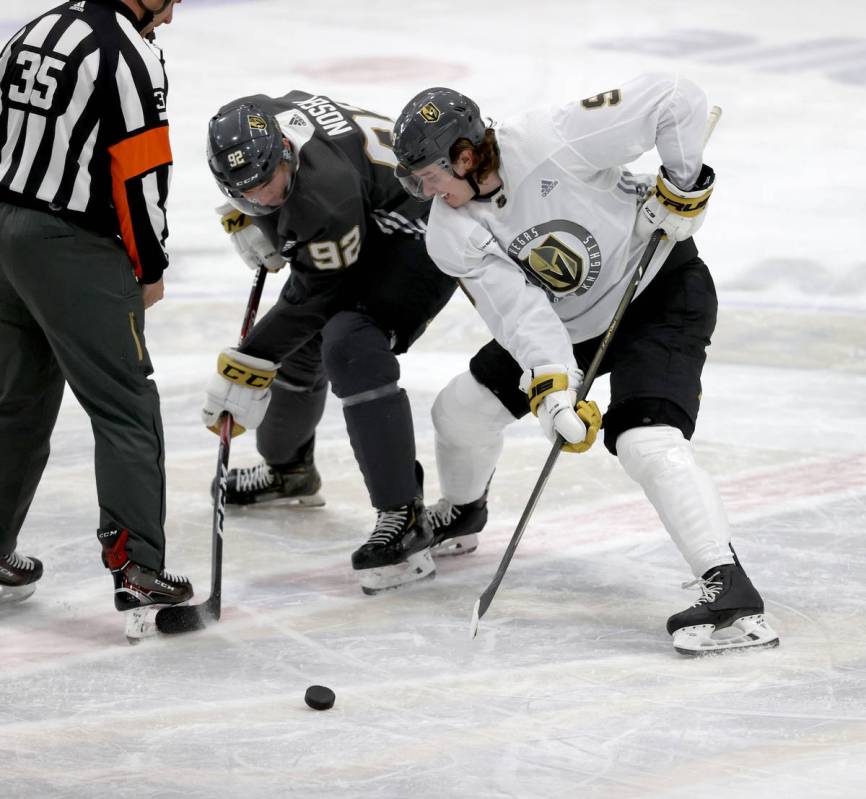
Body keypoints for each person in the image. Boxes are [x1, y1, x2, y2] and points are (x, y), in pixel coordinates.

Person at [391, 76, 780, 655]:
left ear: (465, 156)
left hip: (659, 291)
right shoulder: (452, 231)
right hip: (570, 326)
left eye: (430, 177)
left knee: (645, 438)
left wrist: (681, 184)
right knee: (460, 410)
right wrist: (552, 392)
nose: (426, 191)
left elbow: (676, 99)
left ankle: (729, 590)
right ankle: (464, 512)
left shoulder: (551, 137)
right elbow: (522, 316)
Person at [202, 90, 457, 594]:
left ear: (287, 153)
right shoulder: (255, 122)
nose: (262, 199)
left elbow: (315, 297)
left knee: (348, 342)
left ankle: (403, 516)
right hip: (365, 207)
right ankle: (289, 470)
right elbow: (281, 214)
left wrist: (247, 362)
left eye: (268, 187)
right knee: (302, 343)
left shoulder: (325, 193)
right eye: (244, 193)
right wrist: (255, 214)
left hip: (424, 226)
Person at [0, 0, 192, 637]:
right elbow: (138, 177)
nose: (168, 18)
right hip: (71, 247)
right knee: (125, 404)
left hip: (3, 236)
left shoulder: (37, 28)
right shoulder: (128, 56)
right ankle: (138, 565)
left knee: (17, 402)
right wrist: (150, 266)